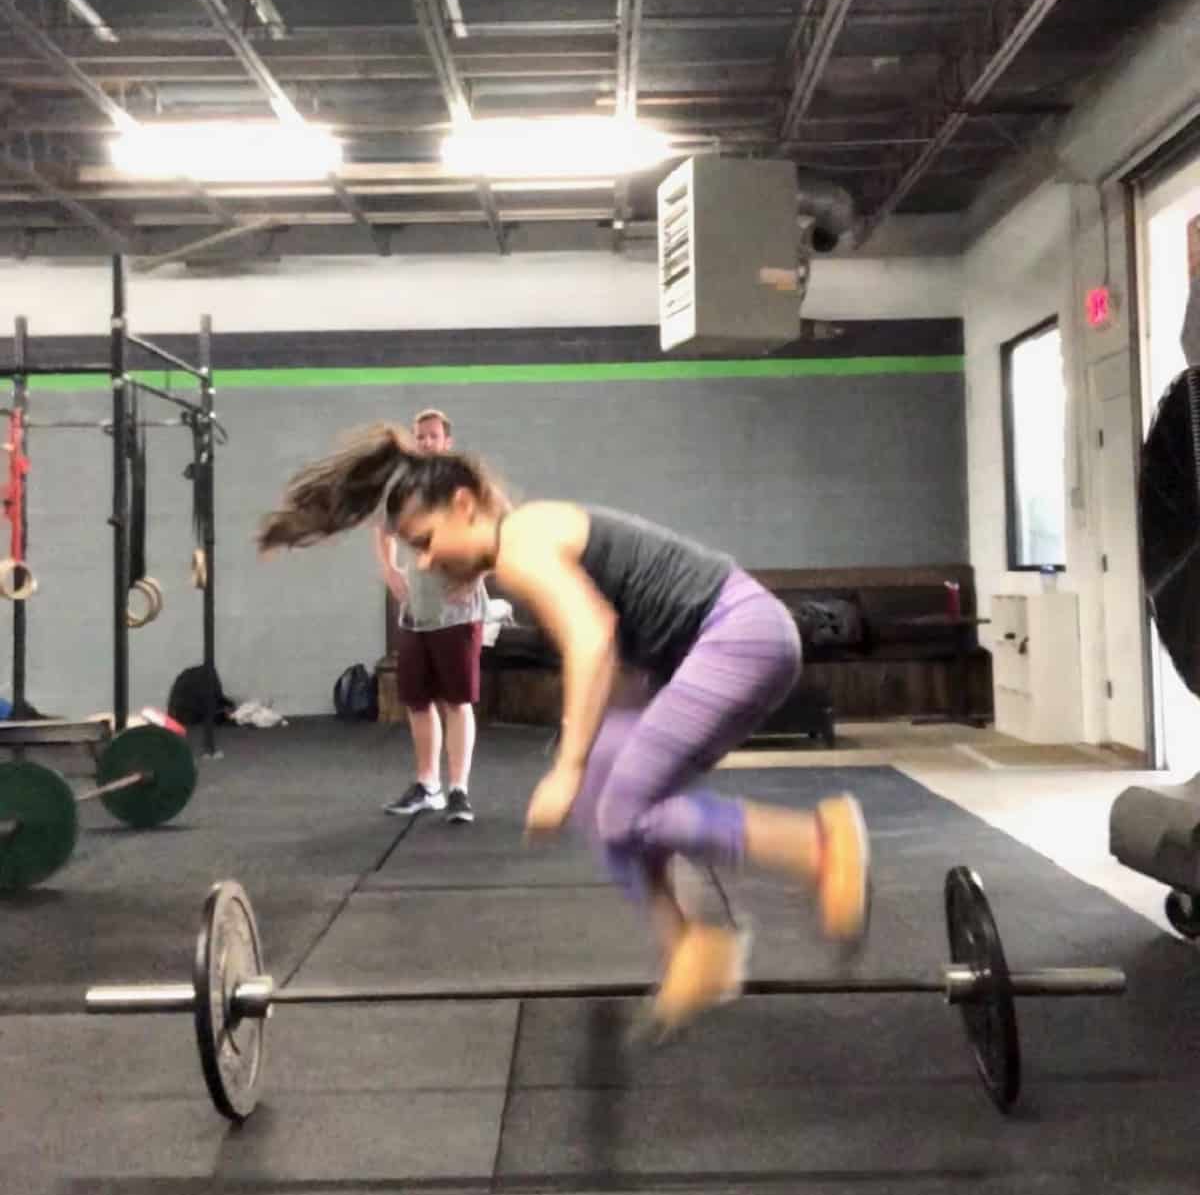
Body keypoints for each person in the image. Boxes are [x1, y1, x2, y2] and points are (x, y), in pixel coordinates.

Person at [259, 427, 871, 1035]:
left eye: (424, 541)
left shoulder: (522, 543)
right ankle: (693, 951)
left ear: (466, 505)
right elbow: (623, 653)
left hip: (741, 636)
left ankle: (817, 844)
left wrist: (568, 767)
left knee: (615, 804)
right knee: (610, 801)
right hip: (711, 646)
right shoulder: (525, 544)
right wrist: (603, 757)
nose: (424, 561)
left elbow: (592, 637)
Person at [370, 409, 485, 824]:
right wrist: (389, 569)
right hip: (416, 612)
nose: (426, 443)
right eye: (420, 437)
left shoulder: (463, 486)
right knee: (418, 702)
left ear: (446, 442)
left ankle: (459, 790)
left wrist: (476, 573)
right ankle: (427, 786)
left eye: (433, 436)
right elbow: (382, 530)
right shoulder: (403, 489)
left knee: (456, 702)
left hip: (457, 613)